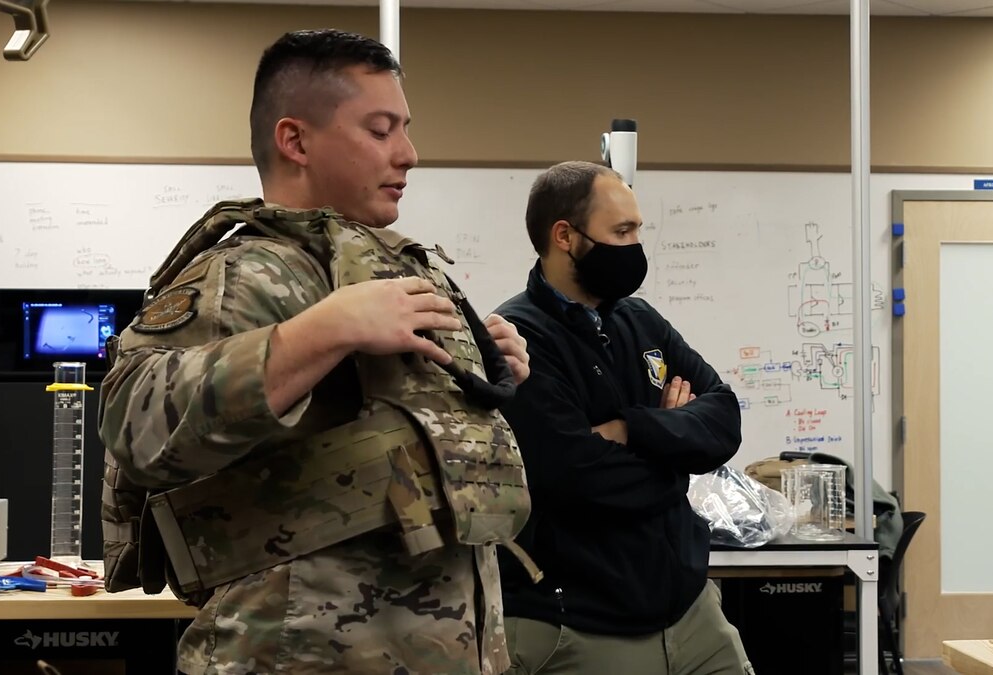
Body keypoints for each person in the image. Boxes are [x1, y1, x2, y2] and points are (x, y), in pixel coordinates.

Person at [98, 29, 535, 675]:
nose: (409, 154)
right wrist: (323, 331)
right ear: (296, 140)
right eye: (381, 130)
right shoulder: (247, 273)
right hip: (292, 655)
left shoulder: (388, 269)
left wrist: (487, 365)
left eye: (406, 129)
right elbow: (135, 422)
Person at [493, 160, 753, 674]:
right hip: (583, 623)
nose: (635, 247)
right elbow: (576, 479)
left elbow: (723, 417)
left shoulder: (640, 319)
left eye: (638, 230)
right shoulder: (520, 339)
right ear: (565, 236)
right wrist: (678, 458)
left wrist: (634, 429)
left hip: (690, 611)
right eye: (622, 231)